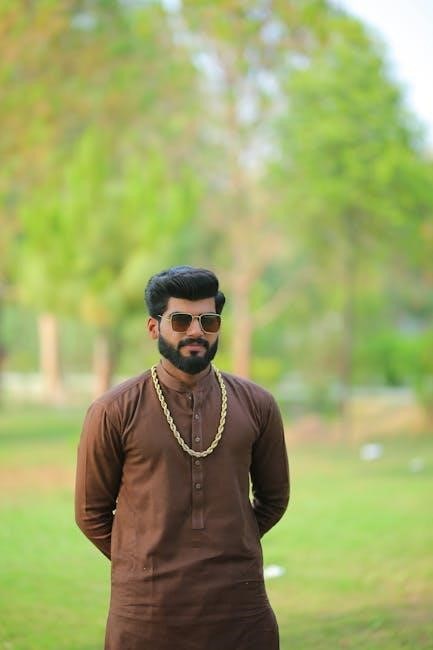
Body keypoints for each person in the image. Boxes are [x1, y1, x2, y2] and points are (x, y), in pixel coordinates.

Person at [75, 265, 290, 650]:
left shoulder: (257, 404)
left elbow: (274, 498)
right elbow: (90, 513)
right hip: (145, 612)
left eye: (208, 321)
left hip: (239, 608)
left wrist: (227, 547)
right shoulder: (113, 410)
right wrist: (143, 562)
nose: (196, 331)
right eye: (181, 320)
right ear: (153, 327)